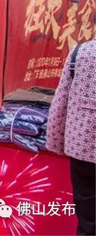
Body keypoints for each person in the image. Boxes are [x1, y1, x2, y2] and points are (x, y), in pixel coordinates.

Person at [46, 41, 95, 236]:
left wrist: (55, 143)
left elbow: (61, 100)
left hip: (82, 147)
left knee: (87, 216)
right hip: (81, 148)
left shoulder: (80, 52)